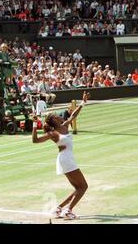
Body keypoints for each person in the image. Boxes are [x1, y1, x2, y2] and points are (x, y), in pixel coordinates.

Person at [31, 91, 90, 220]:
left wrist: (83, 102)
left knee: (77, 187)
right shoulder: (53, 134)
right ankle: (68, 211)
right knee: (83, 186)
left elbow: (73, 115)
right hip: (66, 159)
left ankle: (58, 208)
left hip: (66, 159)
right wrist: (34, 124)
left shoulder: (64, 125)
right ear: (54, 121)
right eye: (57, 116)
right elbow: (35, 140)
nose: (59, 116)